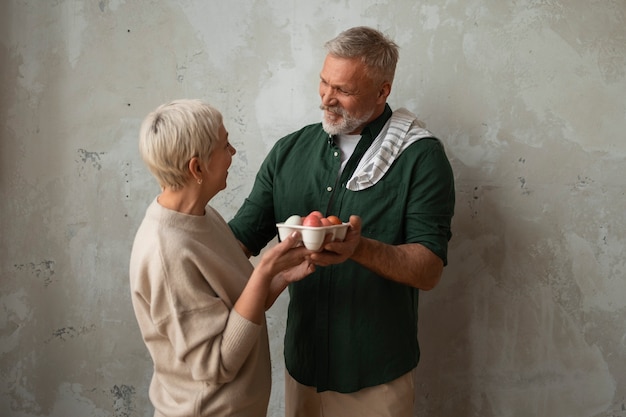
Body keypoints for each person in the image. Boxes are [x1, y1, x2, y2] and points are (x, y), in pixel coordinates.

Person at [228, 26, 455, 417]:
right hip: (303, 366)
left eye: (344, 91)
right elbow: (237, 241)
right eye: (323, 83)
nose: (327, 99)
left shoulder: (421, 158)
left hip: (375, 374)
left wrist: (360, 249)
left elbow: (429, 269)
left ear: (383, 91)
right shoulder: (289, 151)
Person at [129, 99, 316, 417]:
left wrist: (281, 274)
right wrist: (264, 272)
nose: (233, 153)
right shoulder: (167, 252)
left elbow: (235, 307)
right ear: (197, 167)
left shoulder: (201, 216)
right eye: (224, 145)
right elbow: (216, 365)